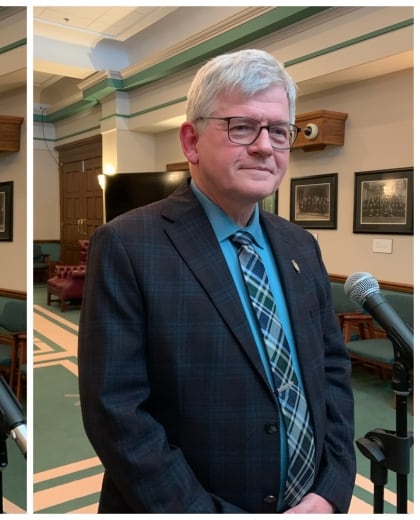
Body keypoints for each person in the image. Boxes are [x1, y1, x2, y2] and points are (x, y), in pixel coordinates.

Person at [78, 49, 355, 513]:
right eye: (242, 127)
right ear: (191, 142)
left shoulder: (299, 244)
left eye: (280, 131)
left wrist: (329, 491)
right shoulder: (128, 244)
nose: (265, 146)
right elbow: (117, 413)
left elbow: (332, 373)